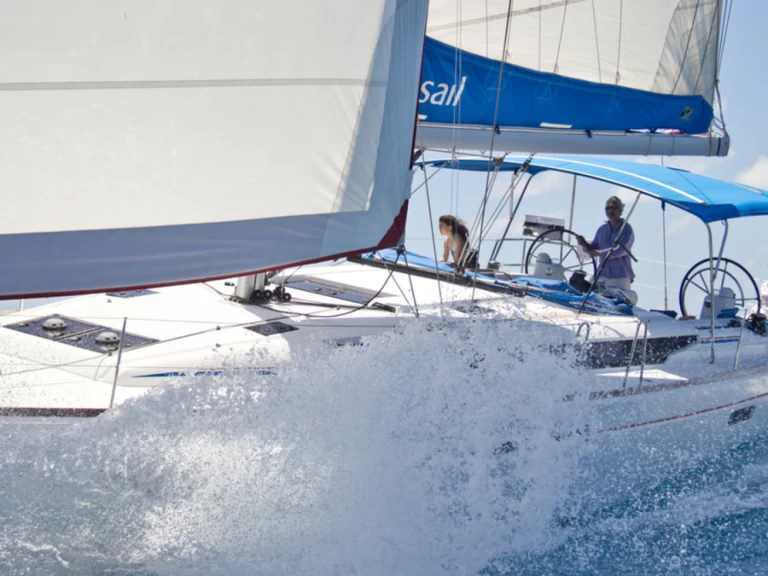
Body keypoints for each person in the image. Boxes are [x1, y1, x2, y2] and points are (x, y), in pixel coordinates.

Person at [576, 196, 635, 290]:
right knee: (586, 292)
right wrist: (583, 244)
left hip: (620, 278)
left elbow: (620, 250)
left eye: (613, 208)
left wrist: (599, 253)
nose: (610, 211)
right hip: (602, 275)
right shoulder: (601, 230)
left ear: (620, 210)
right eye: (607, 208)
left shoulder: (626, 229)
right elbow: (593, 247)